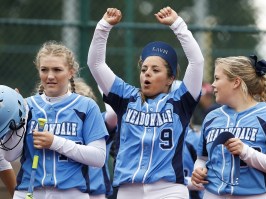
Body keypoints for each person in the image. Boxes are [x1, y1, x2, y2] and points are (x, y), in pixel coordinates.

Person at [88, 6, 204, 199]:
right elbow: (96, 64)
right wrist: (103, 27)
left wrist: (178, 25)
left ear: (170, 78)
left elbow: (197, 62)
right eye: (144, 69)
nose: (147, 73)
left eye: (155, 70)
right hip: (128, 190)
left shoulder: (180, 102)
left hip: (168, 190)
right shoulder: (126, 97)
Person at [2, 41, 108, 199]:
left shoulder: (86, 106)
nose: (50, 76)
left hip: (71, 194)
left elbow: (98, 158)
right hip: (28, 193)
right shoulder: (26, 105)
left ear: (71, 72)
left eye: (57, 69)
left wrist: (55, 142)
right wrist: (17, 116)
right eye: (44, 69)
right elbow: (9, 156)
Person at [191, 55, 266, 198]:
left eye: (217, 78)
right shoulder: (212, 117)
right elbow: (202, 158)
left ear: (236, 82)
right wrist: (198, 170)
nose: (213, 84)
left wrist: (245, 151)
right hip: (212, 194)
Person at [72, 78, 115, 199]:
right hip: (69, 190)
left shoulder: (98, 122)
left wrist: (104, 86)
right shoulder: (61, 125)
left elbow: (113, 115)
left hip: (96, 192)